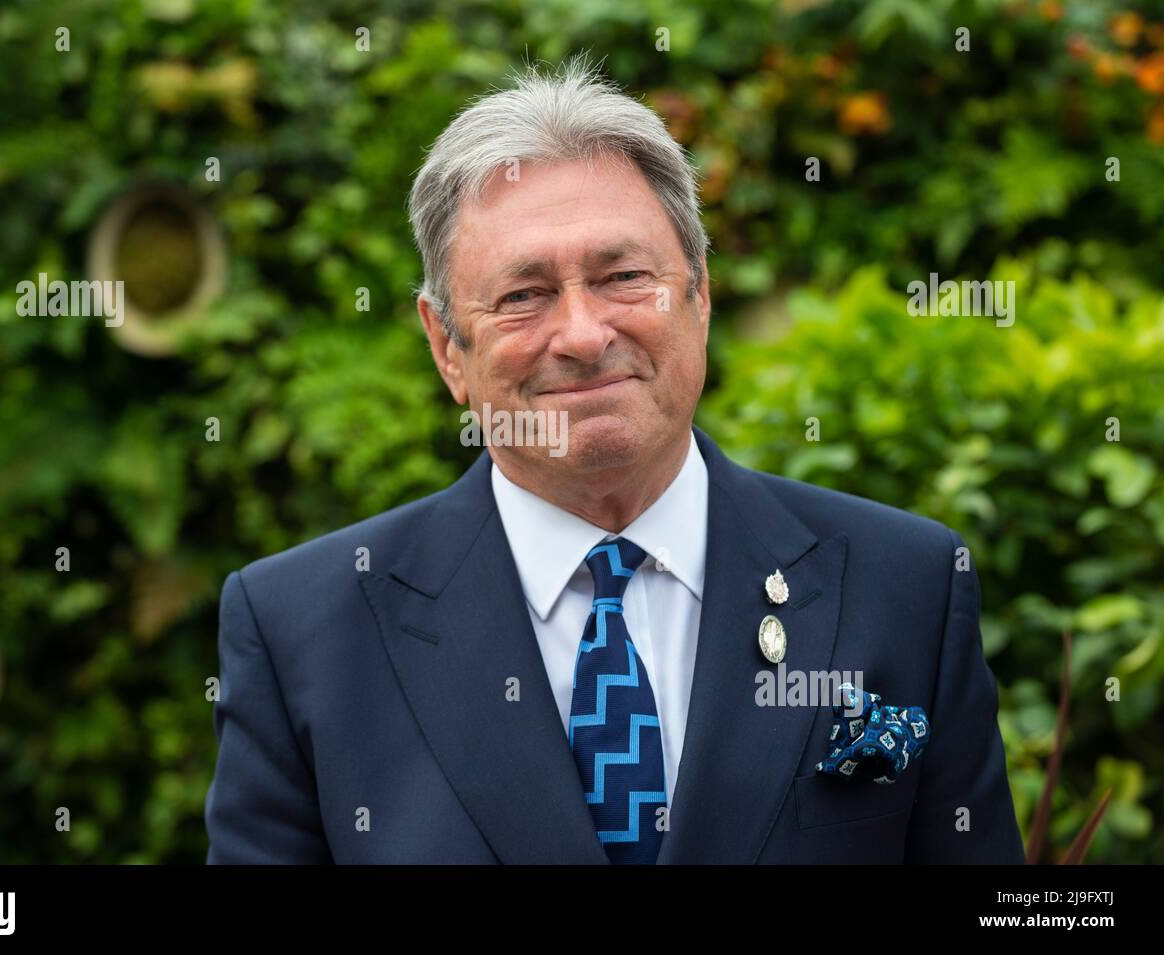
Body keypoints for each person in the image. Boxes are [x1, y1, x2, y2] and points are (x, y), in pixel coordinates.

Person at [204, 56, 1025, 864]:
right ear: (446, 346)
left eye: (624, 276)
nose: (585, 334)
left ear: (700, 297)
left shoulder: (905, 585)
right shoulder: (302, 633)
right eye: (524, 295)